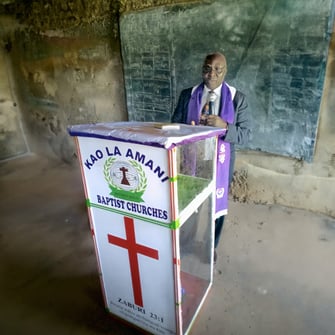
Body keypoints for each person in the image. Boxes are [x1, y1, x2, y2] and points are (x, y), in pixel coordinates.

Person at [171, 52, 251, 263]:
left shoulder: (237, 98)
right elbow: (174, 125)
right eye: (208, 68)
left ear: (225, 71)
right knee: (190, 200)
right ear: (202, 69)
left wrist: (224, 126)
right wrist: (187, 129)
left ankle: (211, 245)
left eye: (218, 69)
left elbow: (245, 134)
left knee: (217, 204)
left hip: (221, 160)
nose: (212, 74)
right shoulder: (188, 95)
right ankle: (186, 241)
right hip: (192, 157)